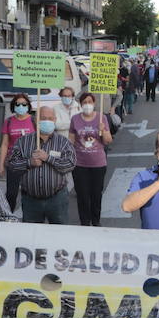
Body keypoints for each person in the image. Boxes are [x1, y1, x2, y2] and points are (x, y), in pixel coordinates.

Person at [6, 105, 76, 223]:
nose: (47, 121)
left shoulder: (63, 142)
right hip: (31, 200)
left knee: (59, 234)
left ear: (55, 120)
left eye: (50, 118)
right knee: (32, 237)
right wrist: (29, 162)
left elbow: (70, 164)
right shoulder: (23, 142)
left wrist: (48, 158)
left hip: (57, 199)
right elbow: (12, 164)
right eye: (43, 118)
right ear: (35, 120)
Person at [68, 92, 112, 225]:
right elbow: (71, 140)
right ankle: (85, 222)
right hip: (80, 164)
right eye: (84, 102)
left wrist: (103, 131)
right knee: (82, 195)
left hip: (98, 164)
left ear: (94, 103)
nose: (87, 105)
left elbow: (108, 141)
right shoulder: (75, 119)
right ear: (81, 104)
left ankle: (96, 220)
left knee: (96, 194)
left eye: (90, 102)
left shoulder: (101, 118)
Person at [0, 93, 38, 213]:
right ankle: (8, 215)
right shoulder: (8, 121)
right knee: (11, 193)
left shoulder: (33, 120)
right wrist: (0, 165)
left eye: (24, 104)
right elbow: (4, 144)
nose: (21, 106)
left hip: (30, 162)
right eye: (18, 104)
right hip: (14, 162)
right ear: (13, 106)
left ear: (28, 106)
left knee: (29, 192)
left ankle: (30, 217)